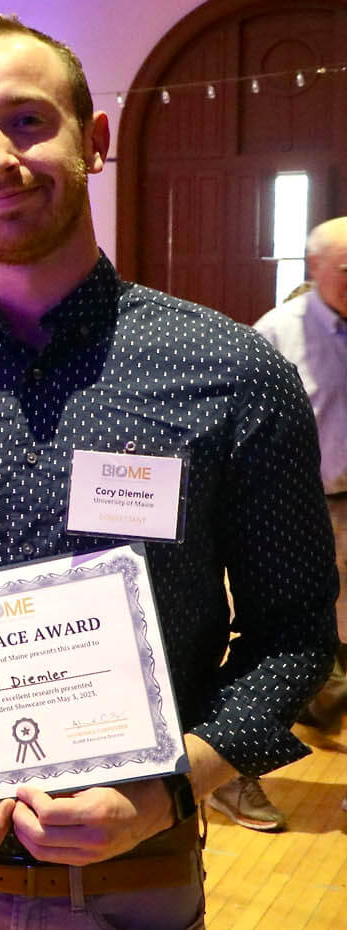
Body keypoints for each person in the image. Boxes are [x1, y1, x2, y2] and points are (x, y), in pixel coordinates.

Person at [0, 12, 337, 929]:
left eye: (28, 120)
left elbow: (293, 636)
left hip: (137, 889)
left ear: (95, 140)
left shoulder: (234, 376)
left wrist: (171, 790)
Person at [253, 215, 347, 815]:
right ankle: (238, 773)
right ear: (315, 269)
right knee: (283, 646)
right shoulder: (276, 335)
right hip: (300, 514)